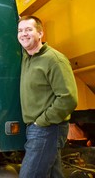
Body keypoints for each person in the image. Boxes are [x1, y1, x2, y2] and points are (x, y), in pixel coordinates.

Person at [17, 15, 78, 178]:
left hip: (47, 127)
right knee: (53, 175)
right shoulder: (27, 57)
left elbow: (68, 98)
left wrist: (41, 121)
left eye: (29, 30)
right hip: (36, 127)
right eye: (20, 30)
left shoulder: (54, 60)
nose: (23, 34)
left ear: (40, 33)